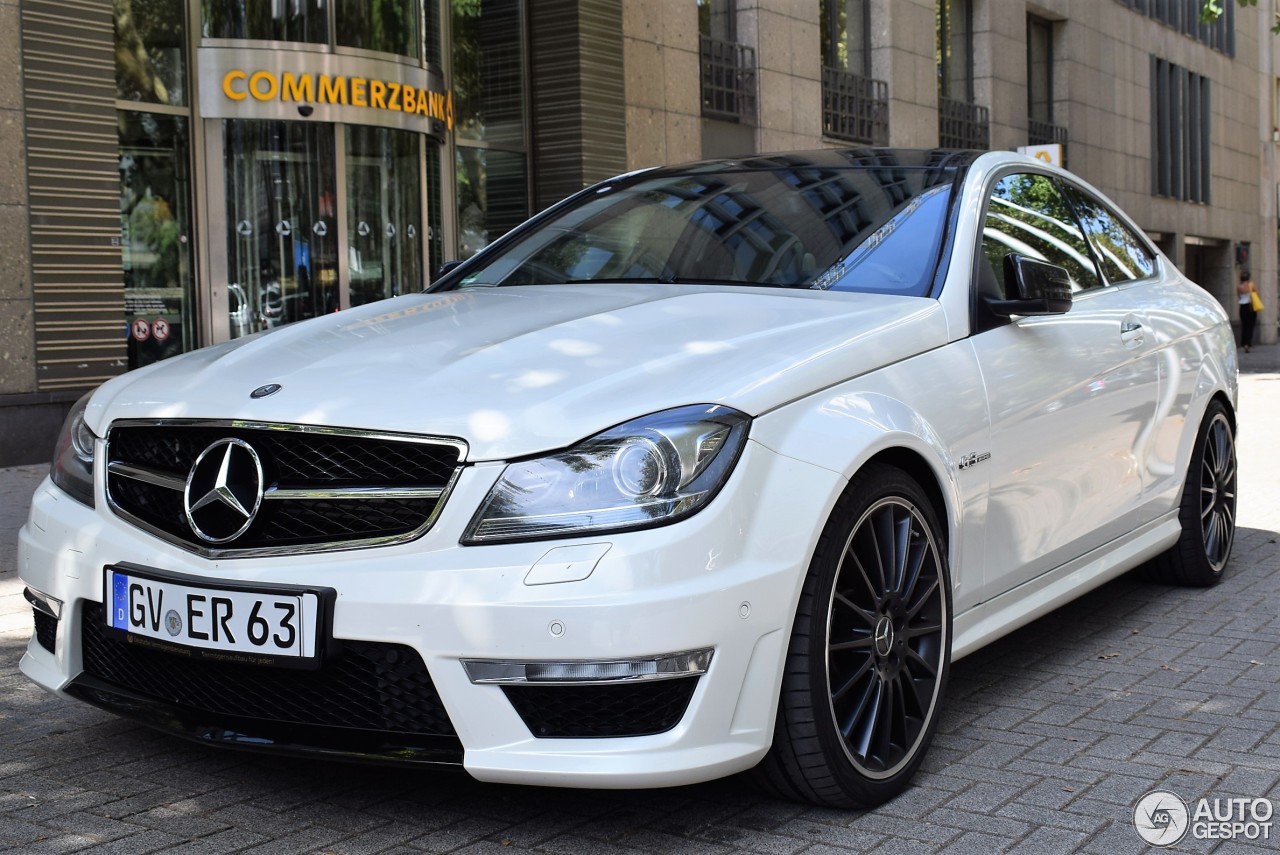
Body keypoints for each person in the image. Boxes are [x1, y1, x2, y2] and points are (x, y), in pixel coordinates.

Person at [1238, 269, 1259, 353]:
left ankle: (1243, 343)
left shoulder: (1239, 287)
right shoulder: (1251, 285)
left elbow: (1238, 296)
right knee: (1250, 326)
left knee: (1244, 325)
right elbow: (1257, 294)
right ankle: (1248, 344)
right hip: (1250, 307)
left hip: (1242, 307)